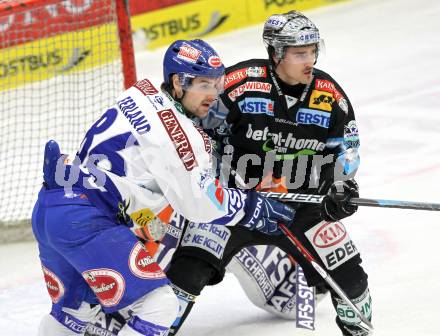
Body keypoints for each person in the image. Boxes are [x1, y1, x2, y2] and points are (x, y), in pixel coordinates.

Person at [31, 39, 297, 336]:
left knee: (72, 313)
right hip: (85, 220)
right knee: (160, 304)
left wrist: (144, 218)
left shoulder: (137, 94)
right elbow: (198, 204)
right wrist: (250, 206)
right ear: (177, 83)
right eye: (204, 85)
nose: (214, 94)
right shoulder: (179, 134)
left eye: (217, 83)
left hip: (52, 208)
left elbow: (128, 174)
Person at [165, 11, 372, 336]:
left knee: (353, 282)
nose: (310, 60)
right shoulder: (239, 83)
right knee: (186, 274)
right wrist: (212, 176)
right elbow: (193, 128)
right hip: (234, 203)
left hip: (300, 204)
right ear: (276, 54)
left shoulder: (329, 95)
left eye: (313, 51)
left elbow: (347, 152)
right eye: (300, 53)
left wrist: (340, 188)